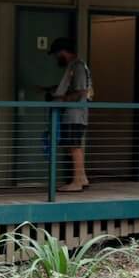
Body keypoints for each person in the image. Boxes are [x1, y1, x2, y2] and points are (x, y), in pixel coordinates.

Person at [48, 37, 92, 192]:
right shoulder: (74, 66)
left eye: (56, 54)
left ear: (62, 52)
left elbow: (82, 91)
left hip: (75, 113)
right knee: (72, 145)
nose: (55, 58)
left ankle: (77, 181)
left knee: (74, 146)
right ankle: (82, 178)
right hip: (72, 113)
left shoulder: (78, 66)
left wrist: (61, 98)